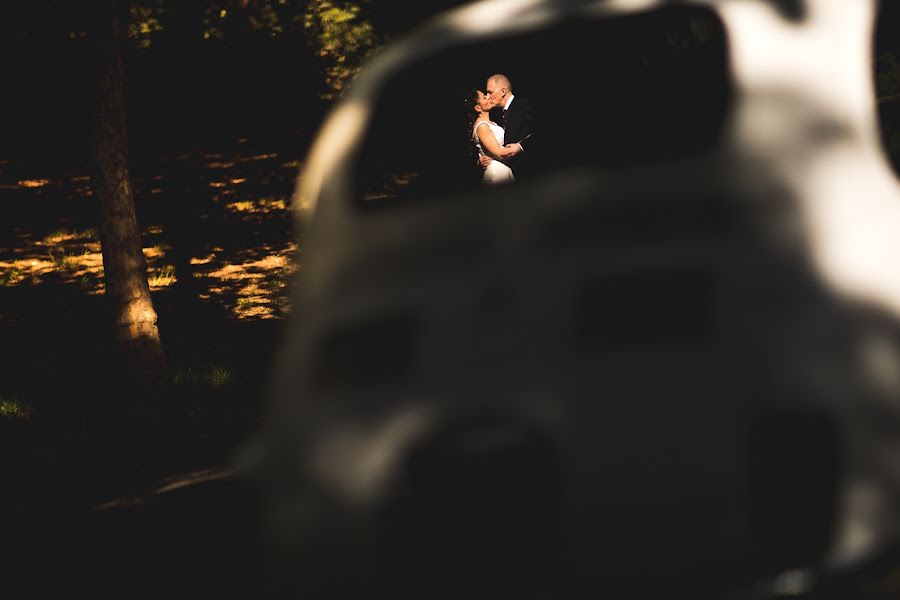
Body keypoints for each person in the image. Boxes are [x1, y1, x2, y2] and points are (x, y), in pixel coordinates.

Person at [480, 73, 537, 179]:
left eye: (490, 92)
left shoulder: (525, 105)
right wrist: (481, 159)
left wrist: (521, 146)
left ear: (503, 91)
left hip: (530, 172)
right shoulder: (495, 116)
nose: (488, 96)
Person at [472, 89, 517, 184]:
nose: (488, 96)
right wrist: (521, 146)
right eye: (484, 97)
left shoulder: (492, 123)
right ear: (478, 108)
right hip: (496, 172)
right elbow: (500, 153)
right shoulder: (482, 126)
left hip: (503, 169)